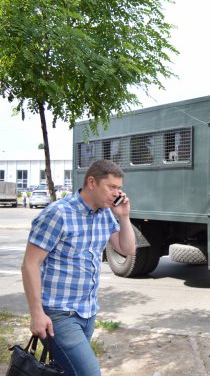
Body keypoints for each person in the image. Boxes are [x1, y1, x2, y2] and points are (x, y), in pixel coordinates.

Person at [21, 160, 136, 376]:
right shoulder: (58, 213)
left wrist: (124, 216)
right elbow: (30, 264)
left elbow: (126, 248)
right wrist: (36, 313)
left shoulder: (104, 214)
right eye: (111, 187)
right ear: (92, 182)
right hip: (59, 314)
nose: (117, 193)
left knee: (68, 371)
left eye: (119, 188)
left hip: (88, 311)